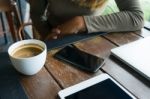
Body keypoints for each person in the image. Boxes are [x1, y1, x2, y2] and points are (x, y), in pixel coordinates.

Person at [28, 0, 144, 40]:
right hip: (53, 37)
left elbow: (136, 17)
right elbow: (36, 13)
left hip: (92, 39)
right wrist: (49, 36)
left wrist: (81, 23)